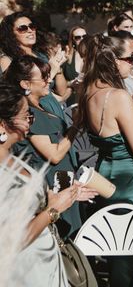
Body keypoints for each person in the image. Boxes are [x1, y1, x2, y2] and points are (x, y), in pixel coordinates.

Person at [76, 34, 133, 287]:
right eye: (130, 58)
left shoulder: (88, 91)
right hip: (131, 180)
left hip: (105, 175)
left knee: (116, 250)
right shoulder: (119, 97)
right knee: (131, 251)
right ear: (112, 60)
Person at [0, 82, 97, 287]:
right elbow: (12, 240)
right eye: (26, 116)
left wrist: (64, 196)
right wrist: (54, 209)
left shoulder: (12, 157)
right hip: (25, 269)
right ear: (2, 125)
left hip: (44, 258)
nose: (31, 121)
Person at [4, 55, 82, 238]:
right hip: (49, 189)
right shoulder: (30, 115)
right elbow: (53, 154)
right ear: (26, 84)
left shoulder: (39, 107)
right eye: (44, 77)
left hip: (62, 183)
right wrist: (76, 126)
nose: (49, 80)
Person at [0, 13, 68, 119]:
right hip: (35, 114)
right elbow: (15, 94)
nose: (30, 30)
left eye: (31, 26)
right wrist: (52, 70)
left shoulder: (41, 55)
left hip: (55, 108)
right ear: (11, 35)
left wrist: (58, 68)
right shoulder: (7, 60)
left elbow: (61, 91)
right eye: (23, 28)